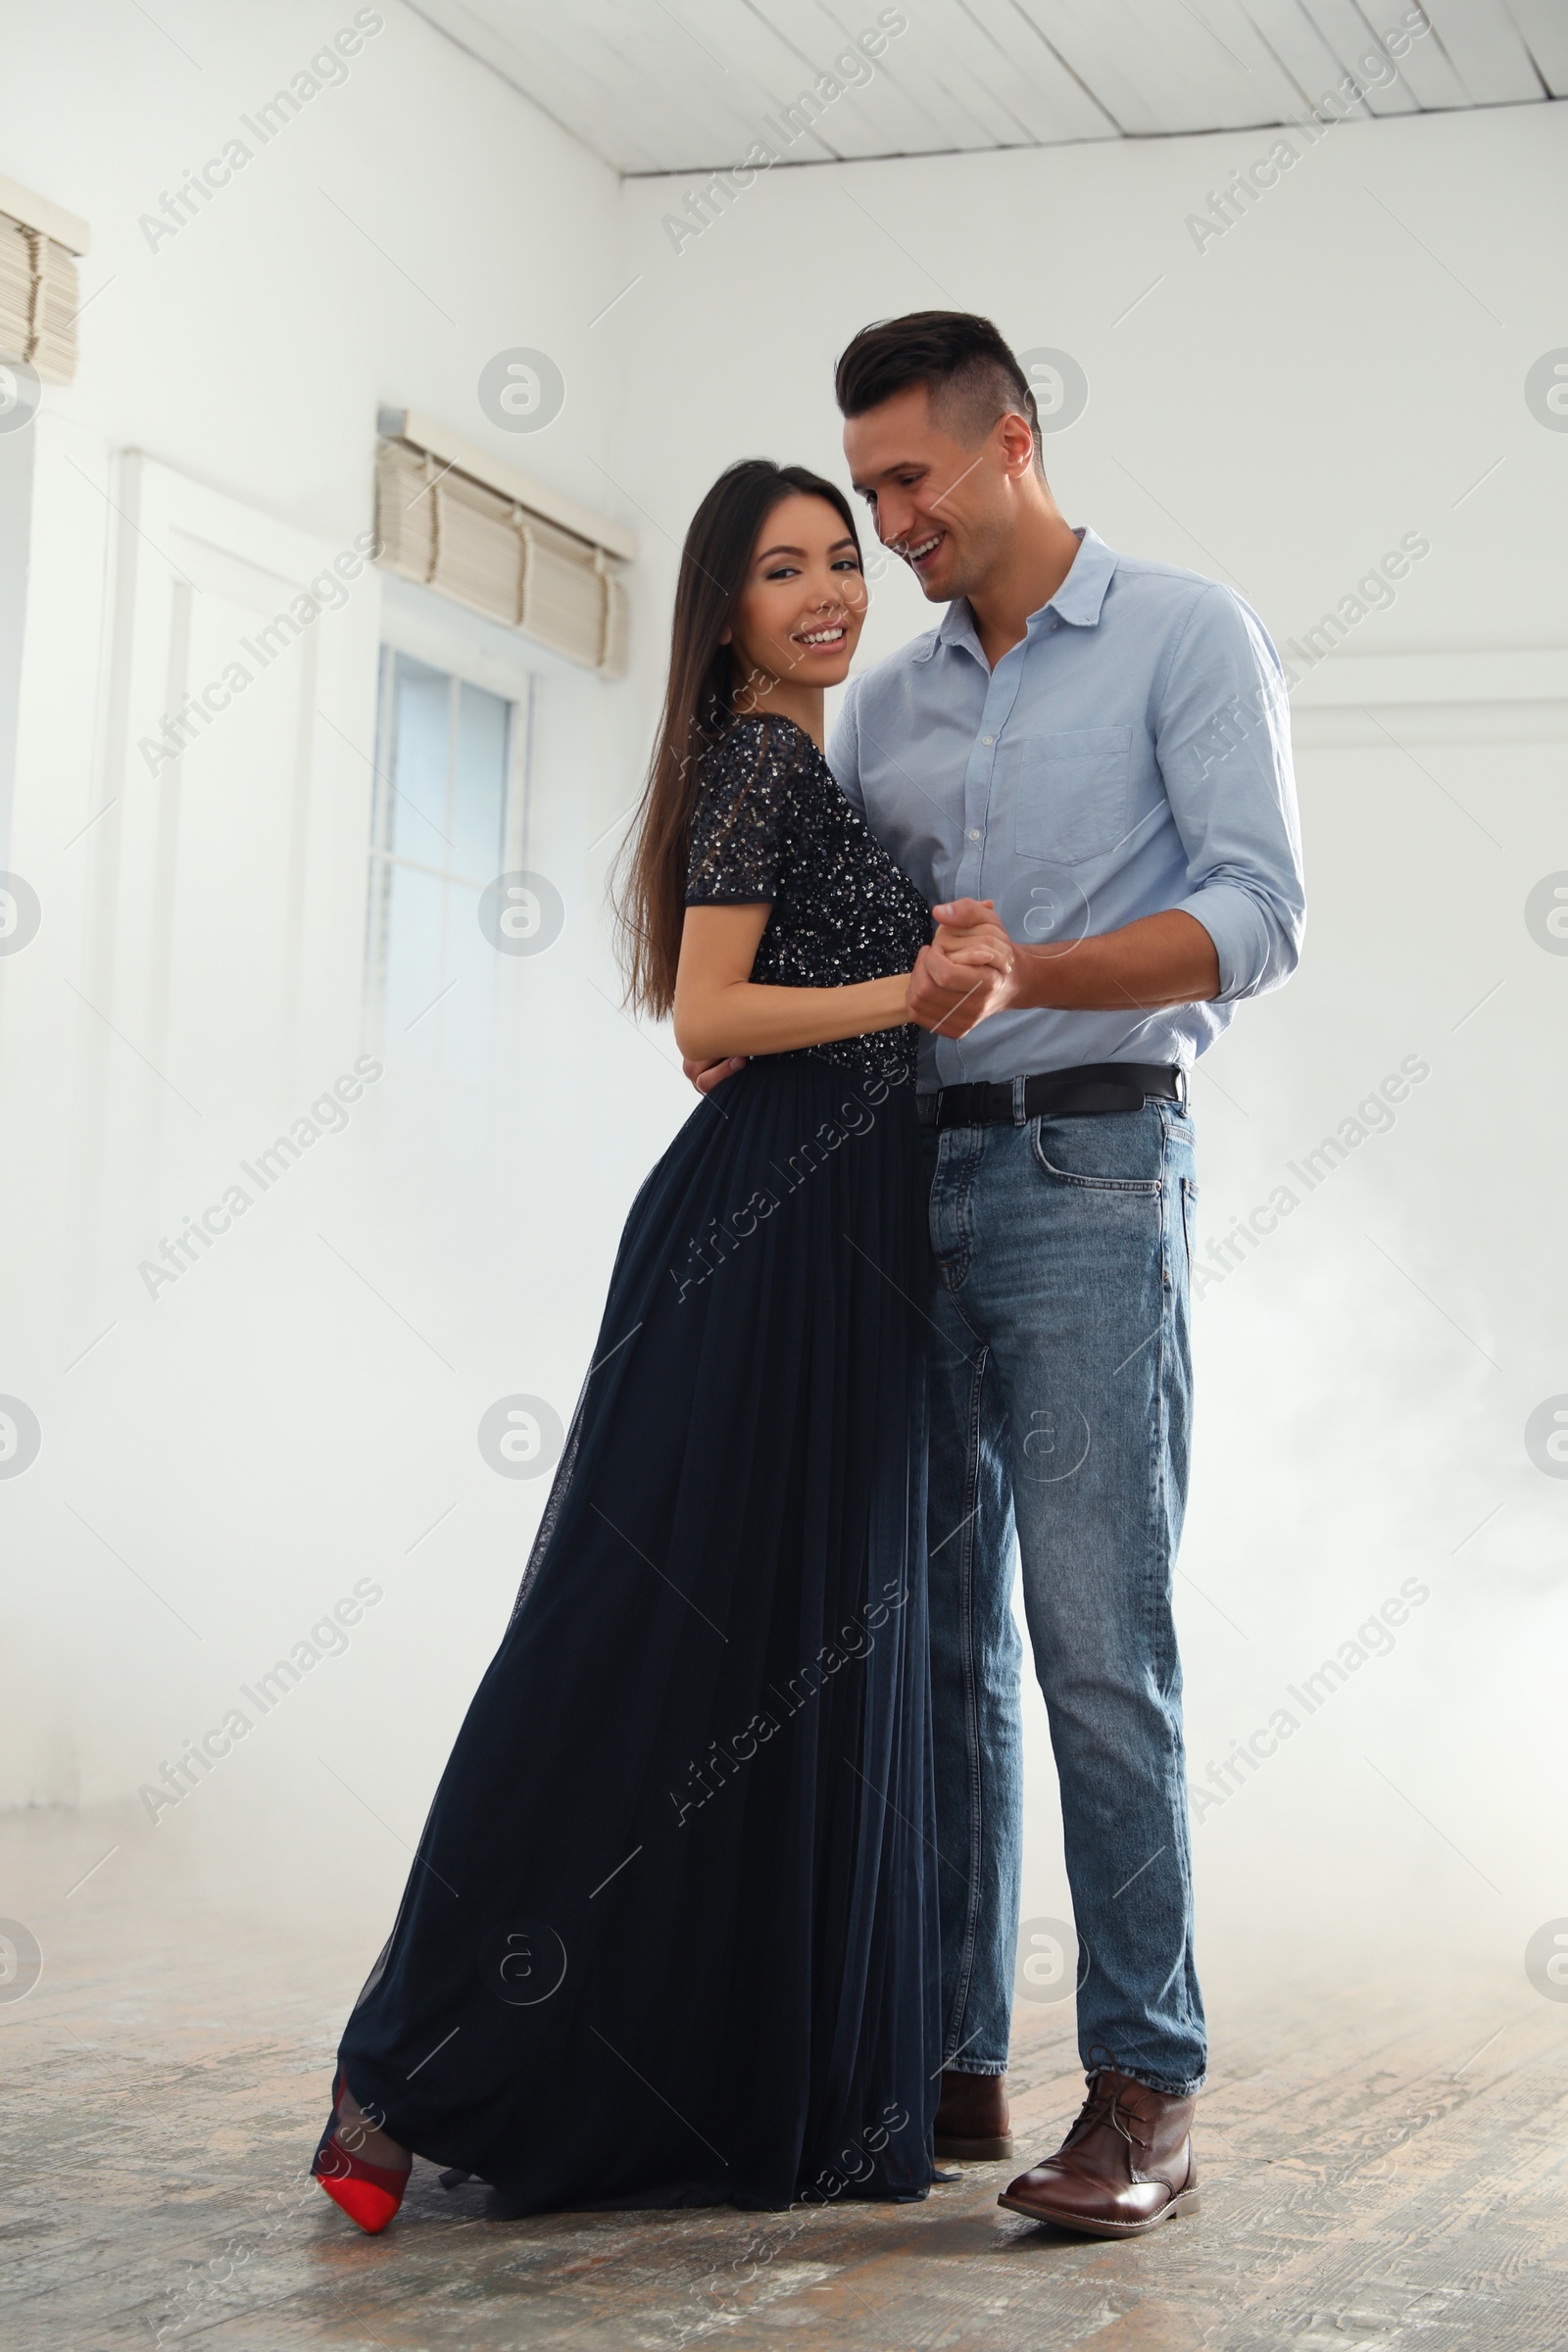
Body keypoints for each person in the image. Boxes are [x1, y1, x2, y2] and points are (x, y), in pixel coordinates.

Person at [310, 459, 1012, 2230]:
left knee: (764, 1665)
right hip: (770, 1244)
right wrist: (909, 997)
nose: (830, 592)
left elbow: (736, 1012)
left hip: (834, 1237)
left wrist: (886, 997)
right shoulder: (767, 760)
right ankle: (396, 2073)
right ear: (724, 613)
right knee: (629, 1643)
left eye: (843, 560)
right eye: (785, 571)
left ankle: (706, 2070)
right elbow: (710, 1013)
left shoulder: (799, 768)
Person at [691, 314, 1305, 2238]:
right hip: (891, 1196)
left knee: (1094, 1645)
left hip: (1087, 1171)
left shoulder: (1184, 633)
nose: (884, 524)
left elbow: (1255, 912)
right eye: (857, 491)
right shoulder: (880, 708)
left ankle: (1144, 2086)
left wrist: (1031, 972)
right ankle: (945, 2056)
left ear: (1006, 444)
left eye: (904, 483)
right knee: (930, 1650)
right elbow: (821, 949)